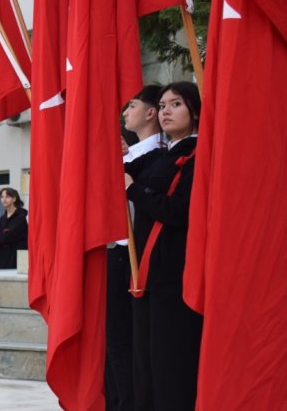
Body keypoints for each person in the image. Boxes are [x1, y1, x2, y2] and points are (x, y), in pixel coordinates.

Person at [124, 81, 202, 410]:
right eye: (164, 105)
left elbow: (182, 212)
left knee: (171, 368)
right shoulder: (163, 155)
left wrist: (136, 191)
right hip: (146, 274)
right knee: (145, 368)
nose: (167, 110)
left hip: (175, 274)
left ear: (195, 112)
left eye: (177, 104)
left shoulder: (198, 155)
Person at [108, 85, 165, 411]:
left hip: (130, 254)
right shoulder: (133, 153)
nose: (125, 112)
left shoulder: (152, 156)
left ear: (149, 112)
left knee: (123, 341)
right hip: (116, 252)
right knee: (112, 342)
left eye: (131, 106)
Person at [0, 188, 28, 269]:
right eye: (2, 197)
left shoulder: (20, 218)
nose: (4, 199)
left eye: (7, 197)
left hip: (16, 262)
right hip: (2, 262)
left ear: (14, 199)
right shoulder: (2, 219)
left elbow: (6, 237)